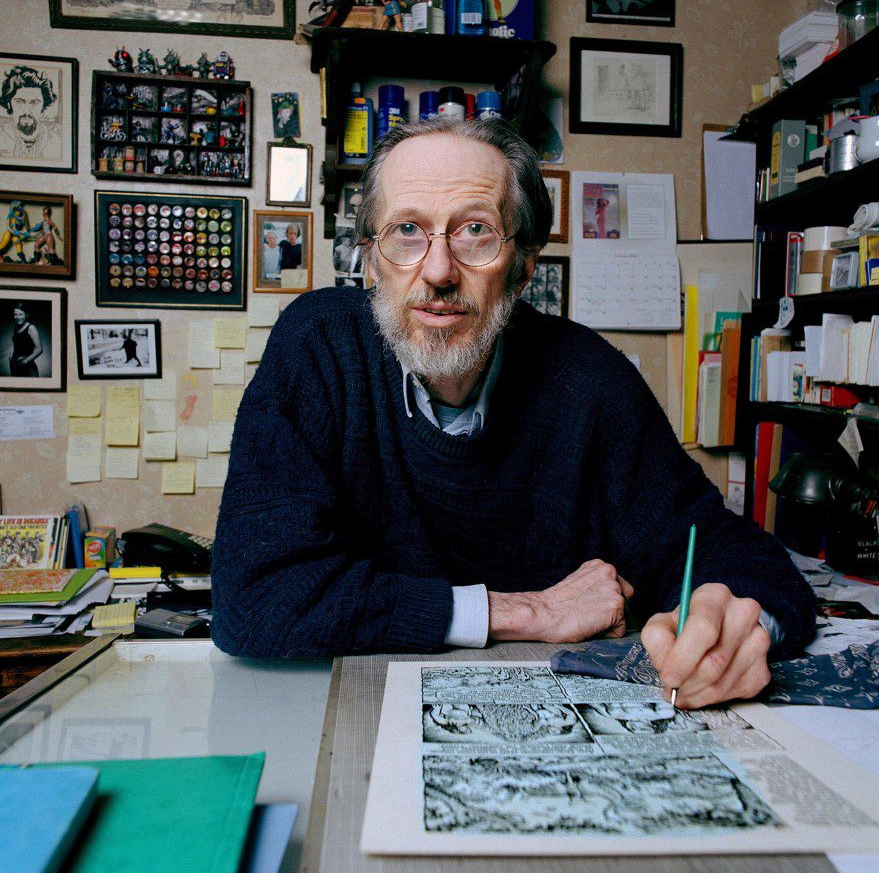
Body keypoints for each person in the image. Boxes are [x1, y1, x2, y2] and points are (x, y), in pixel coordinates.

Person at [212, 117, 815, 709]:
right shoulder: (317, 348)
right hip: (346, 715)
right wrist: (526, 611)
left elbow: (728, 551)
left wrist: (735, 625)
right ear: (372, 260)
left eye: (475, 231)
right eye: (407, 231)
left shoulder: (592, 381)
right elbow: (254, 598)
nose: (439, 271)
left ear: (524, 266)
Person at [0, 66, 60, 160]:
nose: (26, 111)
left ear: (43, 106)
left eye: (34, 103)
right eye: (19, 102)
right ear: (9, 104)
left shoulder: (56, 142)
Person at [9, 303, 43, 377]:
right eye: (15, 314)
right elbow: (17, 345)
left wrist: (25, 361)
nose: (18, 317)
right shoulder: (16, 327)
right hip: (15, 366)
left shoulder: (31, 328)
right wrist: (11, 358)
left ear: (27, 315)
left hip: (28, 368)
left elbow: (40, 349)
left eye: (20, 314)